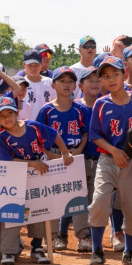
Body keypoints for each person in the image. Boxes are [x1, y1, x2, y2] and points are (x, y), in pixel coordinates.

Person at [0, 96, 74, 264]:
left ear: (17, 112)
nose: (7, 118)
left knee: (39, 211)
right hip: (15, 178)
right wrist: (33, 163)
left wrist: (65, 152)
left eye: (9, 113)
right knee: (12, 212)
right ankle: (9, 251)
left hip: (39, 176)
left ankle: (37, 248)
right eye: (2, 116)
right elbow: (6, 160)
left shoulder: (32, 126)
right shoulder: (1, 136)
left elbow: (54, 134)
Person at [84, 55, 132, 265]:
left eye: (115, 74)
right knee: (100, 201)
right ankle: (97, 250)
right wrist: (114, 151)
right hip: (108, 159)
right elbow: (95, 135)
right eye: (106, 76)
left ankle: (129, 251)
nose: (111, 79)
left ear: (125, 75)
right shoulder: (101, 104)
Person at [37, 66, 93, 251]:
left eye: (70, 81)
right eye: (62, 81)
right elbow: (38, 137)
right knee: (52, 197)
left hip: (76, 154)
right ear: (53, 85)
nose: (66, 85)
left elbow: (85, 133)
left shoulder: (80, 109)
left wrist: (77, 151)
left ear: (76, 85)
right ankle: (51, 236)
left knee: (78, 197)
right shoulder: (46, 110)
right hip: (52, 155)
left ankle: (83, 236)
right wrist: (52, 155)